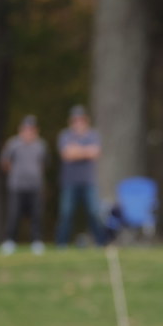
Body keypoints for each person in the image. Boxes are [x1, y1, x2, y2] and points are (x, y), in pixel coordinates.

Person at [55, 105, 107, 247]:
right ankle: (61, 244)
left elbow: (95, 153)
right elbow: (67, 155)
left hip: (89, 181)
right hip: (69, 182)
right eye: (75, 120)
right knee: (66, 213)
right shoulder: (65, 135)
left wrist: (76, 150)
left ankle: (101, 243)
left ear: (86, 121)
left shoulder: (93, 135)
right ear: (71, 121)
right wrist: (85, 151)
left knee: (93, 212)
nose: (78, 123)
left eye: (81, 120)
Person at [0, 115, 48, 255]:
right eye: (26, 129)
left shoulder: (40, 145)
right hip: (17, 186)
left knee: (36, 215)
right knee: (14, 214)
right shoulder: (13, 144)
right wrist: (16, 173)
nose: (29, 132)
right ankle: (9, 241)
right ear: (21, 130)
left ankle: (36, 242)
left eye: (31, 129)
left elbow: (43, 164)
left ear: (36, 130)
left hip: (35, 186)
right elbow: (5, 162)